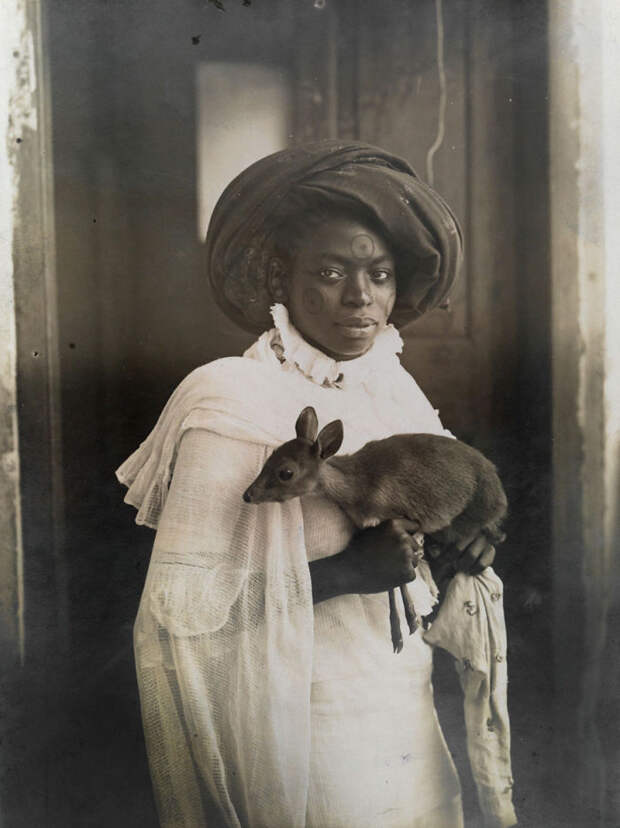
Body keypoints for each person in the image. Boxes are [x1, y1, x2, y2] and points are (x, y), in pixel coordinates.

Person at [117, 141, 516, 828]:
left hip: (404, 707)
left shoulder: (395, 389)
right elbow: (179, 618)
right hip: (301, 726)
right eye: (332, 271)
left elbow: (435, 521)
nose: (362, 297)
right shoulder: (228, 399)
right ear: (280, 273)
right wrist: (343, 574)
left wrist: (462, 550)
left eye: (381, 275)